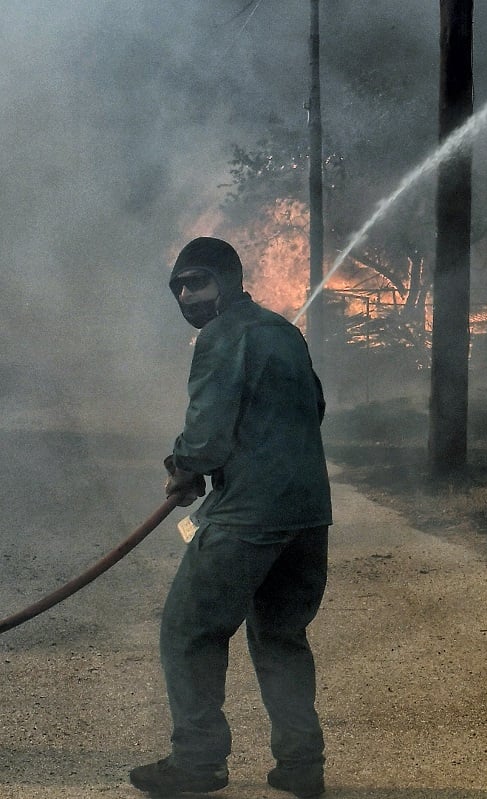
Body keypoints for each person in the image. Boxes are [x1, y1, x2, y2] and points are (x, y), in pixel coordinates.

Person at [129, 237, 333, 799]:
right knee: (281, 637)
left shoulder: (222, 336)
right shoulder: (284, 332)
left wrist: (185, 465)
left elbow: (206, 433)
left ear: (230, 279)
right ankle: (301, 766)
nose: (187, 294)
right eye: (179, 287)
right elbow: (314, 407)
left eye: (197, 281)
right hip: (309, 514)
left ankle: (197, 765)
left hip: (248, 515)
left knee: (188, 630)